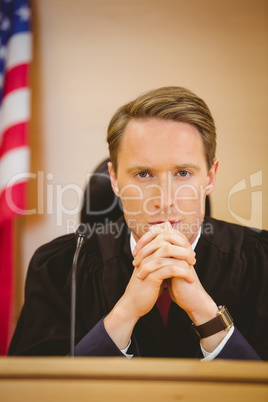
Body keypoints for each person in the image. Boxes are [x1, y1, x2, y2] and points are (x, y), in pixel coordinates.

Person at [9, 86, 268, 360]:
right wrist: (125, 314)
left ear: (211, 177)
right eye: (143, 174)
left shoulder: (262, 261)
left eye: (183, 173)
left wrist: (206, 313)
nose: (164, 200)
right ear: (115, 179)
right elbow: (36, 393)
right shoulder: (58, 268)